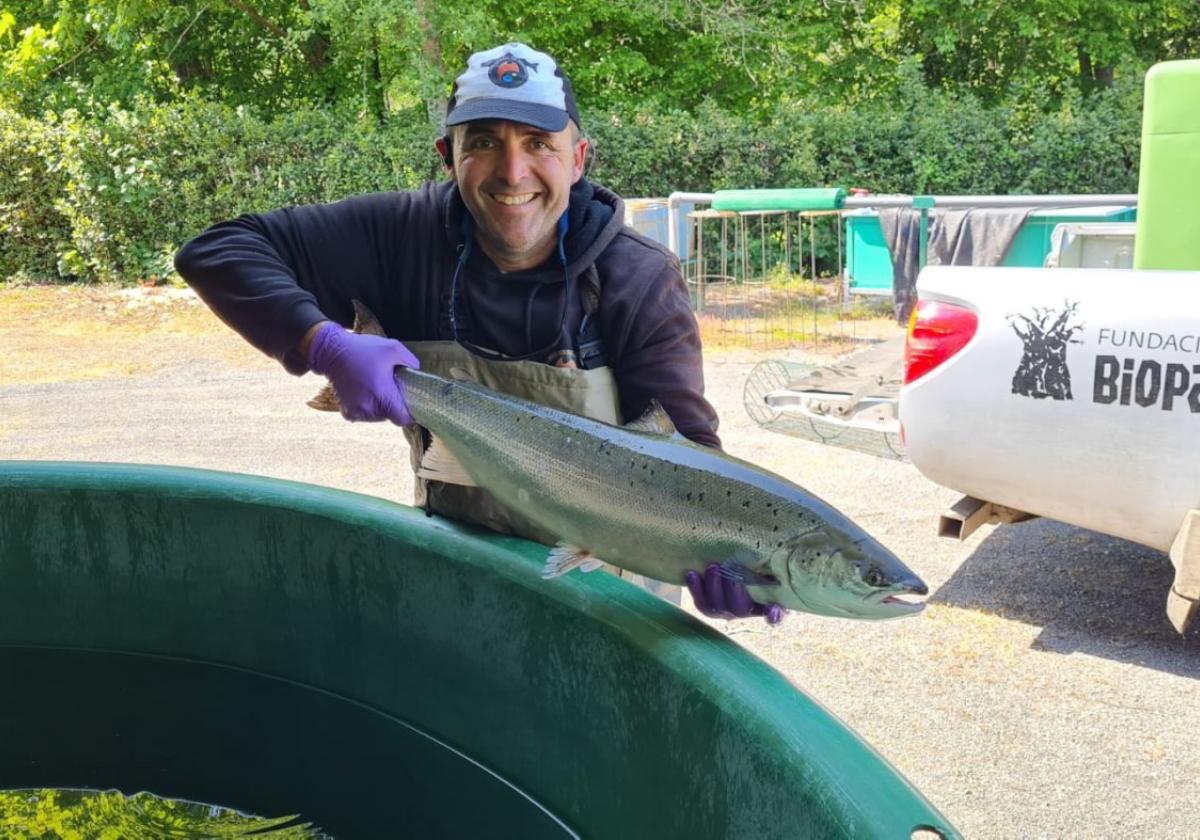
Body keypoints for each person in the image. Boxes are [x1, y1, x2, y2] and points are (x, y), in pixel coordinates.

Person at [174, 41, 782, 625]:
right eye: (484, 142)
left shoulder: (638, 277)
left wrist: (729, 563)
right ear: (448, 155)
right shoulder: (401, 236)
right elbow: (217, 250)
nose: (512, 172)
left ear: (578, 157)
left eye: (539, 143)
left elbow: (691, 450)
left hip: (608, 602)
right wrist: (322, 343)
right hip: (458, 581)